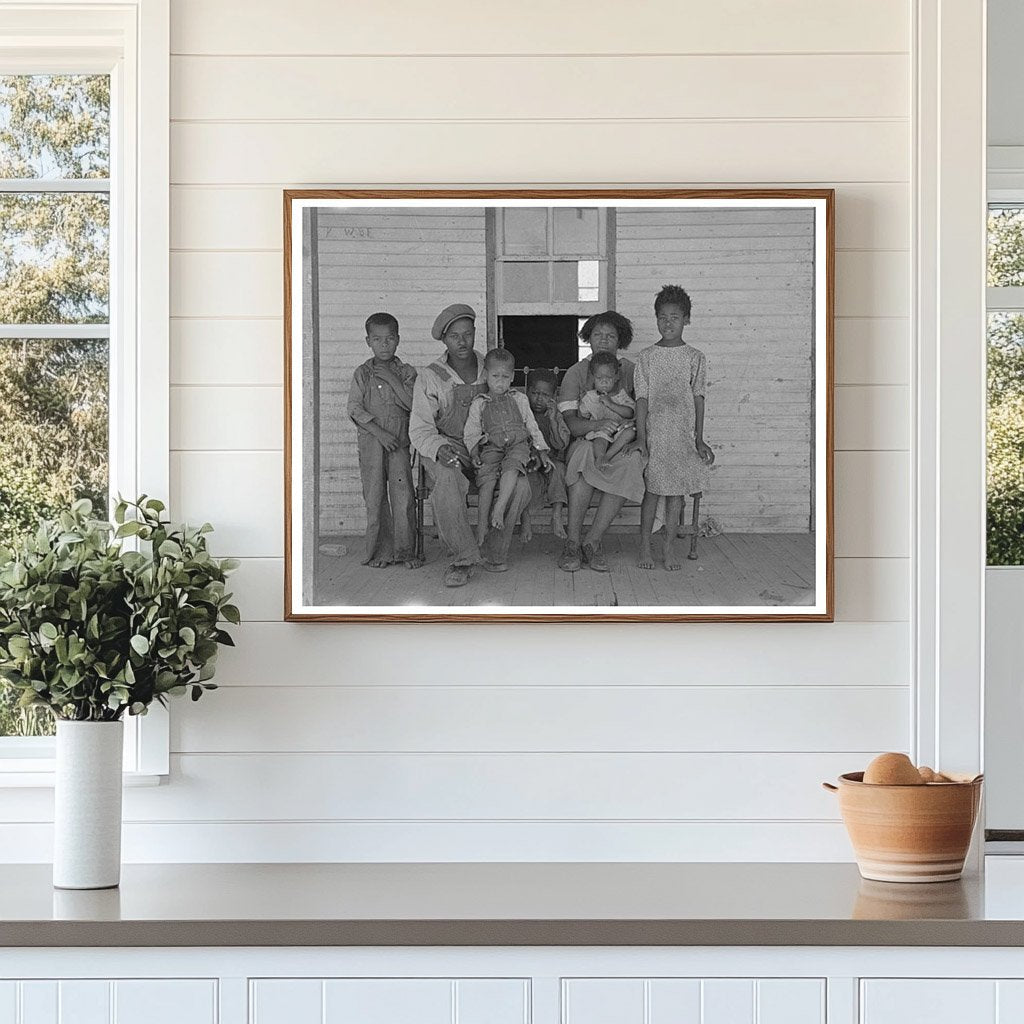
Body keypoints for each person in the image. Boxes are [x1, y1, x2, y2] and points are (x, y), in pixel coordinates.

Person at [409, 303, 533, 587]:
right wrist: (439, 448)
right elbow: (419, 428)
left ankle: (495, 551)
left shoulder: (491, 367)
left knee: (522, 483)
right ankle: (462, 559)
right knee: (448, 478)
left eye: (467, 334)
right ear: (444, 339)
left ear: (475, 332)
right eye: (455, 336)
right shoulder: (431, 376)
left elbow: (515, 409)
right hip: (449, 446)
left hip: (491, 448)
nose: (462, 342)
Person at [556, 310, 646, 573]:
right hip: (586, 439)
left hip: (619, 442)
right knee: (585, 454)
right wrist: (596, 425)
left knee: (632, 462)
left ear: (621, 340)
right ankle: (572, 543)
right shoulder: (576, 372)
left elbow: (641, 407)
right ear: (588, 338)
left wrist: (636, 436)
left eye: (611, 335)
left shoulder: (630, 370)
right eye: (598, 334)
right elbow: (572, 423)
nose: (604, 340)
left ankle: (592, 542)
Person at [635, 285, 715, 571]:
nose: (668, 323)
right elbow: (642, 399)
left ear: (686, 320)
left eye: (675, 317)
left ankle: (669, 549)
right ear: (656, 319)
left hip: (682, 434)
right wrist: (642, 439)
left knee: (675, 495)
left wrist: (700, 439)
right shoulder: (646, 357)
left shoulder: (695, 358)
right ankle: (645, 547)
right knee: (653, 491)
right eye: (662, 317)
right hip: (656, 431)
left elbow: (699, 398)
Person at [346, 311, 421, 569]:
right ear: (368, 341)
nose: (384, 345)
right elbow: (354, 408)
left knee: (403, 496)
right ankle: (381, 552)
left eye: (389, 339)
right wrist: (380, 433)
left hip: (400, 440)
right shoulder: (362, 373)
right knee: (375, 495)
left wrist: (391, 378)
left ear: (398, 339)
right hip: (372, 440)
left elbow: (414, 404)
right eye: (377, 340)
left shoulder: (407, 372)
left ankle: (405, 552)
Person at [464, 348, 553, 544]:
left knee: (512, 468)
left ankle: (499, 508)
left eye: (505, 376)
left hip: (517, 444)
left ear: (513, 377)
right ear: (486, 375)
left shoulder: (519, 399)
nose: (500, 381)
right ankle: (481, 529)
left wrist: (542, 451)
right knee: (486, 480)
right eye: (495, 376)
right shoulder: (479, 403)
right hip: (491, 447)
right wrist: (473, 452)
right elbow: (471, 431)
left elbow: (532, 426)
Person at [523, 368, 571, 540]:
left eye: (544, 394)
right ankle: (526, 519)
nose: (538, 399)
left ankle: (556, 516)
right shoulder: (523, 414)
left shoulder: (556, 416)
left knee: (559, 472)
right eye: (534, 393)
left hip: (552, 461)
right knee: (528, 481)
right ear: (527, 392)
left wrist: (552, 419)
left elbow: (560, 444)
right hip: (530, 461)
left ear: (553, 396)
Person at [577, 350, 636, 468]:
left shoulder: (621, 395)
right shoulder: (590, 397)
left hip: (619, 430)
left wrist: (610, 404)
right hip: (601, 431)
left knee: (630, 432)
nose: (604, 381)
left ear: (616, 377)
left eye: (608, 378)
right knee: (600, 437)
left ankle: (608, 456)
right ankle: (600, 458)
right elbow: (582, 415)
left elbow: (630, 413)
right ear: (593, 378)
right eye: (599, 378)